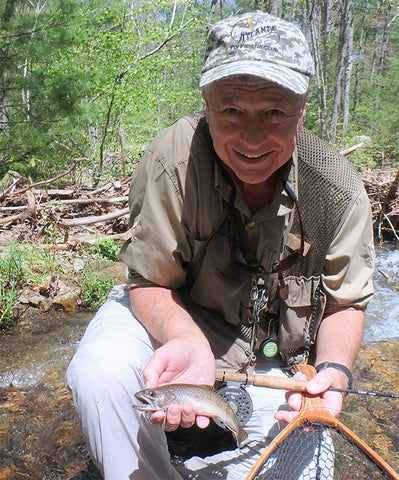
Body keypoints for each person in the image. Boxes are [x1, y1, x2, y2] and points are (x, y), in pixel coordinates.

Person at [66, 10, 375, 480]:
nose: (252, 137)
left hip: (276, 361)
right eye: (231, 110)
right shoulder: (172, 158)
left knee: (305, 464)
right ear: (206, 103)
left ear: (303, 109)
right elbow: (147, 280)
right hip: (173, 327)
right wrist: (186, 340)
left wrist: (333, 371)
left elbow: (345, 302)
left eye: (274, 111)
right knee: (100, 372)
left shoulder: (336, 190)